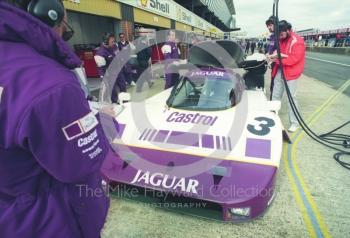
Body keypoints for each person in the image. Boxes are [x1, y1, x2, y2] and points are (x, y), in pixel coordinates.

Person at [0, 0, 111, 237]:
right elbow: (80, 165)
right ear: (46, 12)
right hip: (47, 222)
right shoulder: (50, 84)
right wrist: (104, 122)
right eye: (63, 21)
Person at [270, 20, 306, 132]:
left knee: (291, 98)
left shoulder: (297, 41)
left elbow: (294, 59)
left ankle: (295, 122)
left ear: (288, 30)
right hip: (280, 70)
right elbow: (279, 51)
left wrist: (277, 59)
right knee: (275, 95)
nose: (280, 36)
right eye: (278, 35)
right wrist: (273, 55)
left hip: (291, 73)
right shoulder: (281, 39)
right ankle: (272, 117)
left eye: (281, 34)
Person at [95, 32, 127, 102]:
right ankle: (115, 102)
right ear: (106, 42)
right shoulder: (100, 53)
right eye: (112, 41)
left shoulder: (114, 46)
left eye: (114, 41)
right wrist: (103, 78)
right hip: (109, 73)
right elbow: (101, 69)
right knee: (113, 90)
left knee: (123, 86)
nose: (113, 43)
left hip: (118, 70)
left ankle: (125, 101)